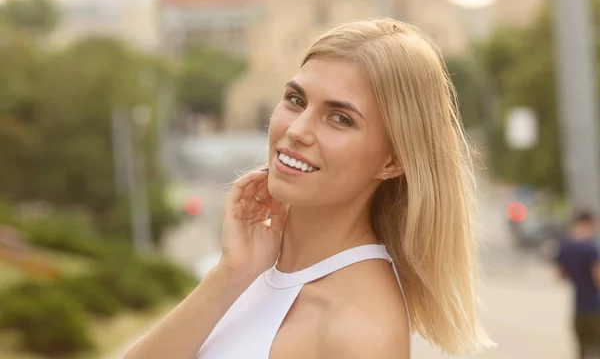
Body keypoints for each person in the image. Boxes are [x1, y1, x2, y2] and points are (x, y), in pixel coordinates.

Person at [124, 18, 493, 359]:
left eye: (340, 118)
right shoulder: (252, 273)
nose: (297, 129)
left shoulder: (358, 332)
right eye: (296, 100)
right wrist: (231, 273)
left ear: (392, 161)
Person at [555, 211, 600, 358]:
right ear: (588, 223)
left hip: (578, 308)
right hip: (595, 307)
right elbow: (597, 278)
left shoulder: (564, 247)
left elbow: (561, 276)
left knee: (582, 350)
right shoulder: (592, 249)